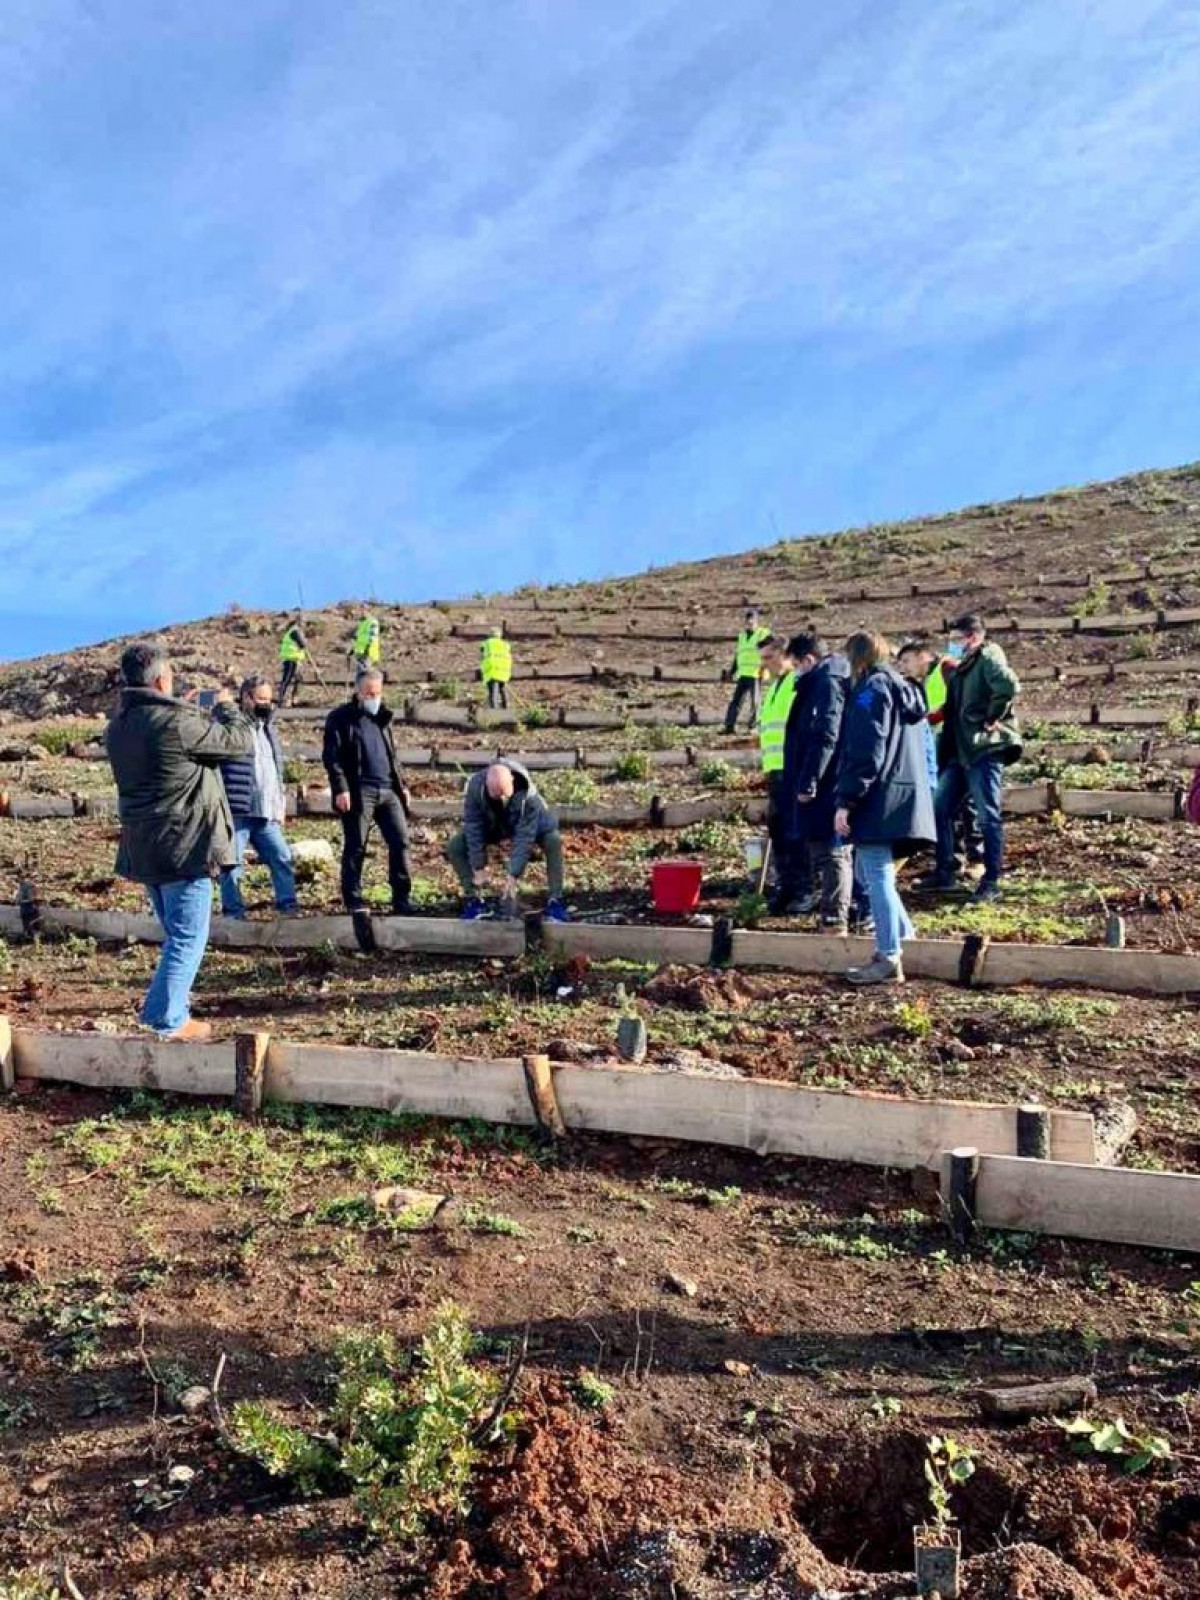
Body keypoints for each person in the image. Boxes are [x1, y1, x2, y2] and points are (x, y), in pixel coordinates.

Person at [106, 642, 254, 1040]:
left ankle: (167, 1014)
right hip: (185, 845)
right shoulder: (177, 722)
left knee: (176, 934)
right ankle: (167, 1021)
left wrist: (186, 710)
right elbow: (238, 743)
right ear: (160, 680)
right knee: (188, 937)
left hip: (145, 848)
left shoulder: (117, 727)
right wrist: (224, 706)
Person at [833, 632, 936, 985]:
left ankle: (889, 954)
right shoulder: (905, 688)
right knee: (873, 872)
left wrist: (846, 801)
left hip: (879, 798)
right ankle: (904, 939)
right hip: (906, 797)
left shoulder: (871, 690)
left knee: (875, 872)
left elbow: (867, 750)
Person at [928, 613, 1022, 903]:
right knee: (939, 809)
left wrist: (993, 716)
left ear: (972, 637)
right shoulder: (963, 667)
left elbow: (1008, 686)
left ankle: (991, 880)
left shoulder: (988, 657)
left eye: (957, 638)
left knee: (987, 816)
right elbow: (957, 704)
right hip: (960, 751)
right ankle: (946, 870)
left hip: (982, 750)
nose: (952, 644)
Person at [322, 667, 414, 914]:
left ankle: (402, 899)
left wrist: (402, 785)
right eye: (369, 693)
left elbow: (392, 754)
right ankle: (353, 899)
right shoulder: (341, 718)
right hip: (359, 790)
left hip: (388, 789)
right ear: (358, 692)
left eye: (378, 693)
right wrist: (341, 788)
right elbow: (332, 758)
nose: (374, 698)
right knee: (357, 845)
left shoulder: (382, 718)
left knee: (401, 842)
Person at [782, 631, 853, 930]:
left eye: (796, 664)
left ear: (808, 660)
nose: (795, 671)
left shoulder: (826, 684)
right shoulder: (820, 682)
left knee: (831, 849)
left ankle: (835, 917)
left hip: (827, 781)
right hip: (819, 776)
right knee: (821, 847)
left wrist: (809, 779)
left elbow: (825, 734)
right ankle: (833, 912)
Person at [218, 674, 298, 920]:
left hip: (265, 812)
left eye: (268, 700)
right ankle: (234, 914)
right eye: (260, 699)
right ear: (245, 698)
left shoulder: (268, 730)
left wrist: (279, 804)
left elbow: (275, 769)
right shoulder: (230, 727)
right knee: (232, 865)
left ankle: (288, 907)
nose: (265, 704)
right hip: (238, 810)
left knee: (282, 857)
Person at [447, 759, 567, 922]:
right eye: (497, 796)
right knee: (456, 845)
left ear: (511, 780)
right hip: (494, 825)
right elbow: (474, 826)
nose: (501, 800)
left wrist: (513, 875)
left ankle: (556, 900)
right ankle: (474, 899)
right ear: (487, 784)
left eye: (505, 796)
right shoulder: (475, 788)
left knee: (553, 840)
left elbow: (524, 837)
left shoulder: (528, 796)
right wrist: (478, 867)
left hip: (530, 823)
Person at [756, 636, 798, 912]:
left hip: (791, 768)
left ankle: (799, 889)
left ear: (785, 655)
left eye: (769, 657)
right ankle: (787, 886)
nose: (765, 664)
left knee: (792, 833)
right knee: (779, 830)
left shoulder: (795, 684)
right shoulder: (774, 688)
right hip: (776, 769)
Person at [723, 608, 772, 733]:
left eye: (752, 622)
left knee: (755, 701)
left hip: (756, 672)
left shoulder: (762, 633)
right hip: (743, 672)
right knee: (736, 701)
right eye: (747, 622)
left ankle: (753, 726)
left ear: (756, 622)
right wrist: (732, 671)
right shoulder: (742, 636)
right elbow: (739, 654)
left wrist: (763, 646)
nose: (749, 624)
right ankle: (729, 725)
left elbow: (773, 643)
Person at [277, 616, 308, 706]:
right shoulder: (295, 631)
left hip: (295, 659)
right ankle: (281, 699)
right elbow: (302, 644)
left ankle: (294, 698)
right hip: (291, 660)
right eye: (303, 623)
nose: (304, 625)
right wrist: (305, 640)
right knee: (286, 679)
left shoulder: (292, 630)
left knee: (299, 679)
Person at [480, 627, 513, 710]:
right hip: (504, 670)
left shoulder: (487, 643)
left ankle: (495, 710)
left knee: (493, 692)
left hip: (492, 669)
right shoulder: (506, 644)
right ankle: (507, 709)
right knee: (503, 690)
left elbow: (481, 650)